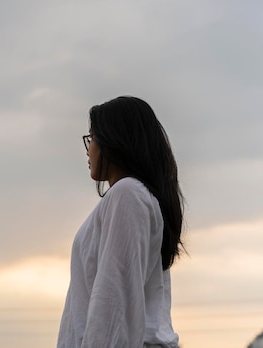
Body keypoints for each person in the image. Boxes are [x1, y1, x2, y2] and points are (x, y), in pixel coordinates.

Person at [57, 96, 184, 348]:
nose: (88, 148)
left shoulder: (128, 194)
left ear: (113, 141)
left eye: (91, 137)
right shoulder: (133, 196)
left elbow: (114, 300)